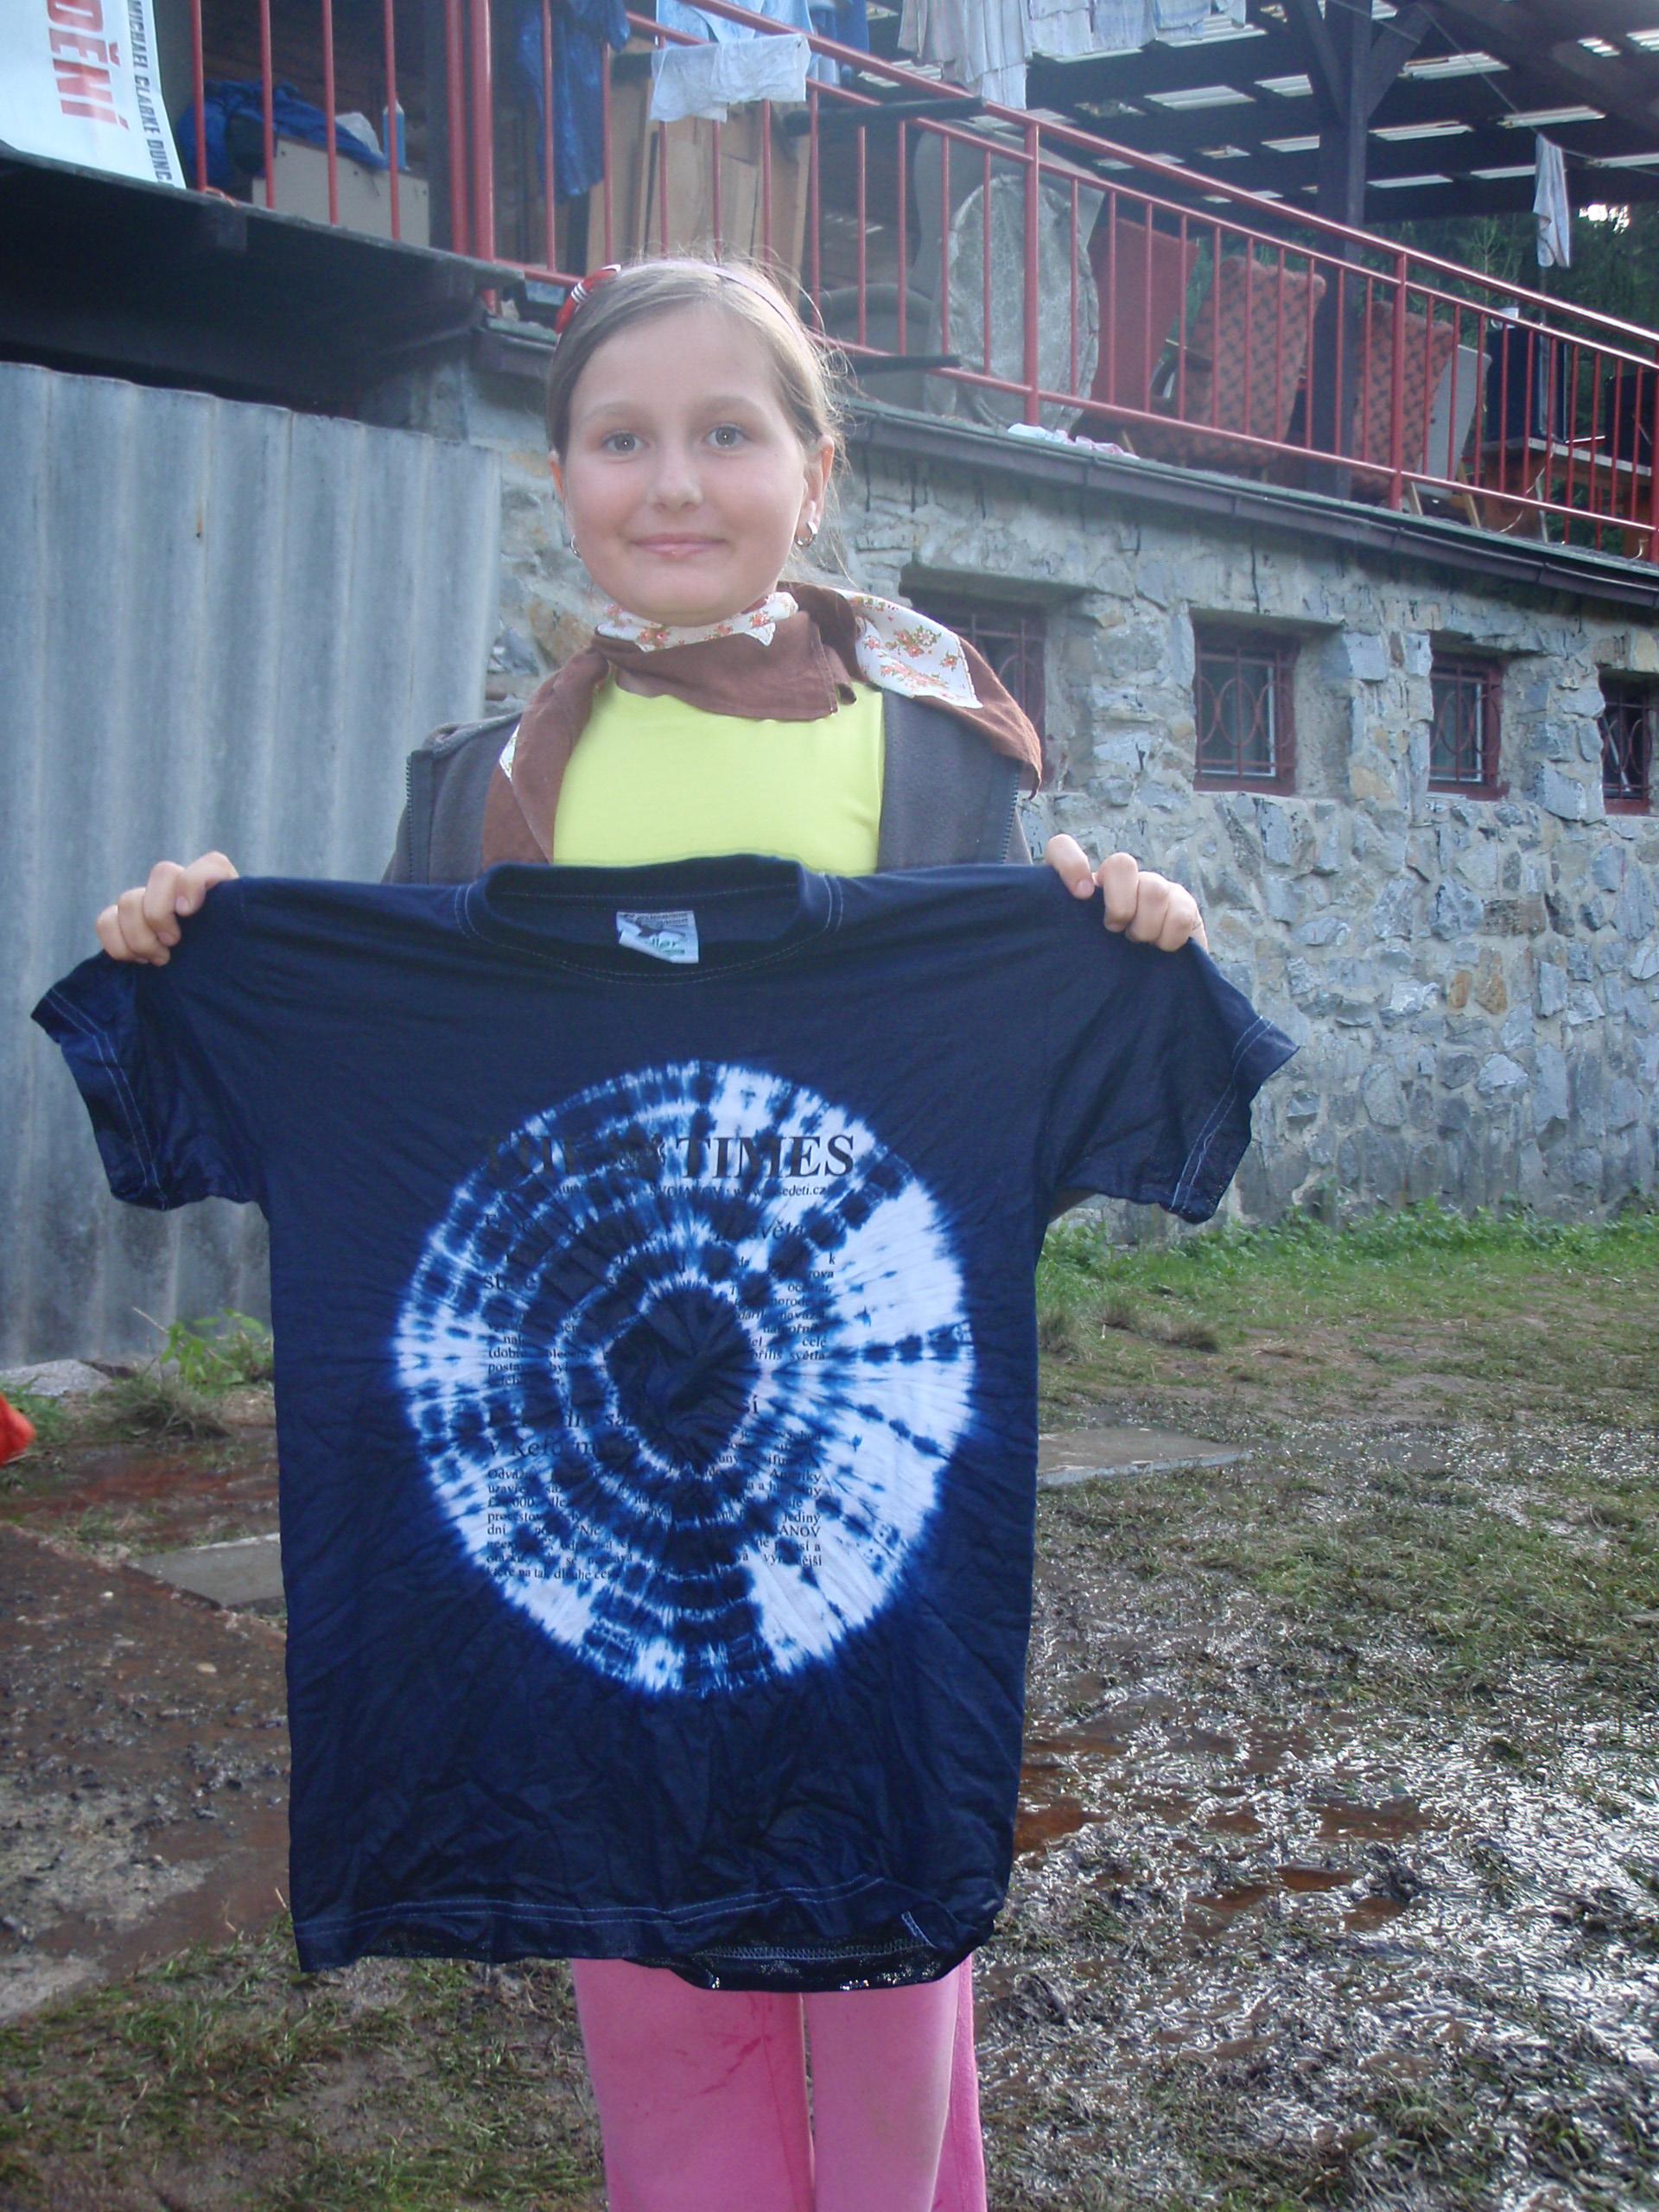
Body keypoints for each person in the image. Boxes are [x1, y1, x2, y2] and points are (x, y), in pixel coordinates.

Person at [93, 257, 1205, 2212]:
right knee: (648, 1946)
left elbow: (990, 1090)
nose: (672, 480)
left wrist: (1115, 937)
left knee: (884, 1952)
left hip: (856, 1476)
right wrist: (206, 951)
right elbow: (400, 1089)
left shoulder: (943, 762)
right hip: (585, 1484)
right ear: (561, 474)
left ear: (814, 470)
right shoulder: (482, 785)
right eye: (620, 437)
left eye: (726, 432)